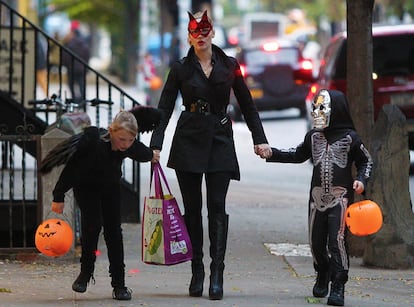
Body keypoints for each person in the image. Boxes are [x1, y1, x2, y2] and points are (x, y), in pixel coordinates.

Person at [150, 10, 271, 300]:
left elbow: (247, 104)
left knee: (217, 206)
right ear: (189, 37)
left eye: (205, 31)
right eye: (195, 32)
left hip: (219, 138)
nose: (201, 36)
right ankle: (197, 271)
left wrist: (260, 139)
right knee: (192, 209)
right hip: (188, 138)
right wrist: (156, 143)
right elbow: (165, 106)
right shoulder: (180, 68)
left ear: (213, 33)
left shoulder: (230, 66)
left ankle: (217, 273)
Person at [262, 89, 373, 306]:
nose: (317, 112)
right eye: (316, 108)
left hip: (340, 198)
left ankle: (339, 285)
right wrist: (272, 153)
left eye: (323, 108)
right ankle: (322, 272)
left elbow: (366, 161)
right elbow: (297, 154)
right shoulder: (313, 137)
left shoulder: (350, 138)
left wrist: (361, 180)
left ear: (337, 110)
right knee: (315, 243)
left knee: (337, 241)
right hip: (316, 199)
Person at [40, 107, 161, 301]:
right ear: (111, 132)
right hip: (86, 187)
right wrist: (58, 196)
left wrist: (151, 155)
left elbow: (139, 152)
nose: (125, 145)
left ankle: (119, 285)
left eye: (130, 140)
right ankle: (85, 274)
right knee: (92, 226)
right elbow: (72, 170)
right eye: (122, 140)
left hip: (110, 187)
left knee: (114, 231)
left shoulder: (128, 145)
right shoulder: (93, 145)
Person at [62, 20, 91, 102]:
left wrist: (66, 65)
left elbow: (65, 56)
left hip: (71, 68)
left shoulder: (69, 43)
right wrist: (86, 65)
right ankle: (83, 101)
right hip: (81, 68)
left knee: (71, 85)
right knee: (82, 85)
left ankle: (75, 99)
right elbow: (87, 55)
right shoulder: (83, 43)